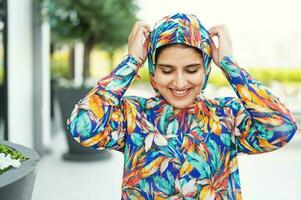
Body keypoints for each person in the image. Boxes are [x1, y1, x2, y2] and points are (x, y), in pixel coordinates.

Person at [67, 12, 298, 199]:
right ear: (153, 70)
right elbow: (83, 126)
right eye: (167, 70)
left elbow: (282, 128)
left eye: (192, 70)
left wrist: (229, 65)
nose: (179, 82)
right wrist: (131, 62)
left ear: (206, 68)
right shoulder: (132, 115)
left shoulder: (227, 115)